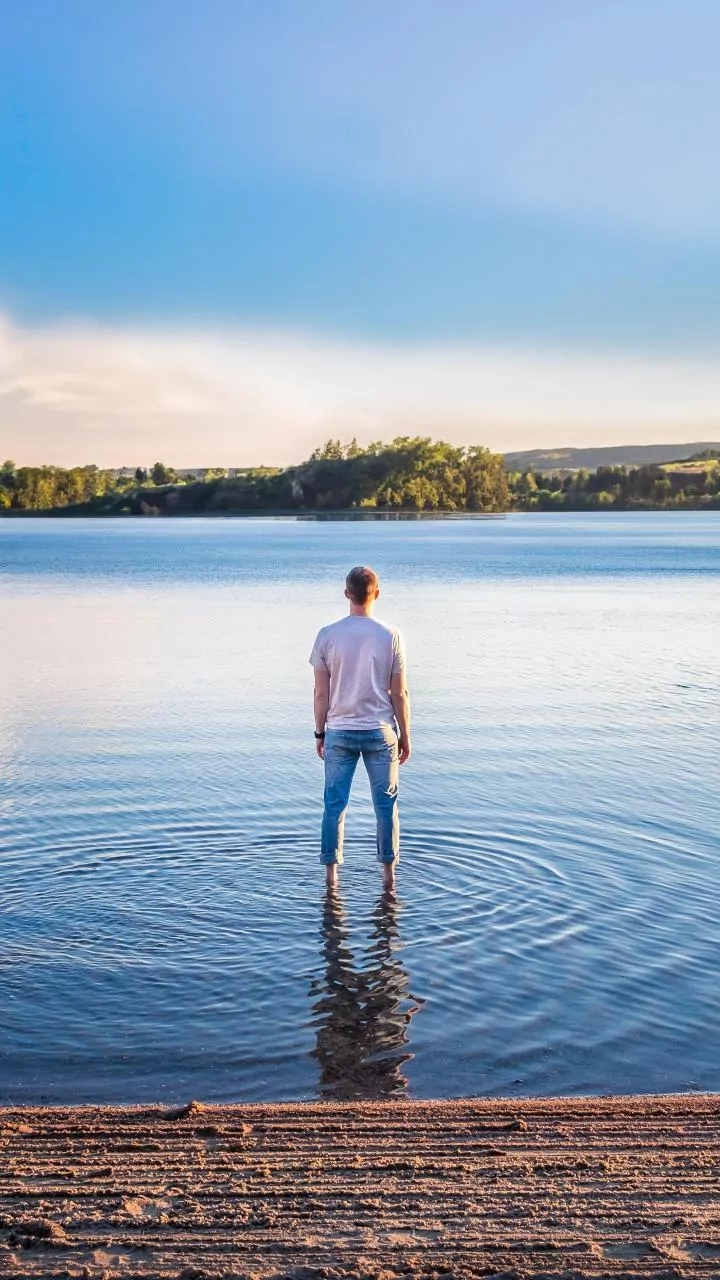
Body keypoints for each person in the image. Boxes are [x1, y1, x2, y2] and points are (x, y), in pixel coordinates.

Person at [309, 565, 411, 891]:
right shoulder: (390, 635)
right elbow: (400, 693)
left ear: (346, 594)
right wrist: (405, 736)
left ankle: (331, 880)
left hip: (338, 731)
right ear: (376, 594)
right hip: (382, 733)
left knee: (334, 806)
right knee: (386, 806)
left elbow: (320, 692)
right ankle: (389, 878)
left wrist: (320, 732)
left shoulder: (327, 635)